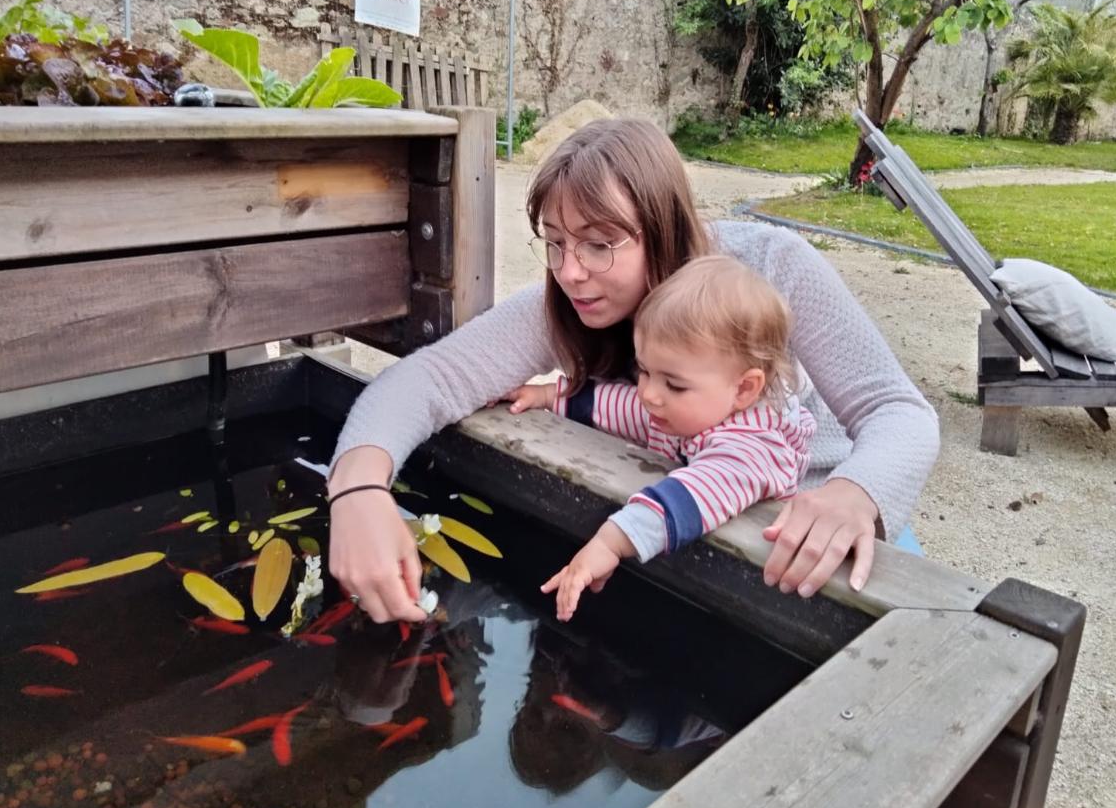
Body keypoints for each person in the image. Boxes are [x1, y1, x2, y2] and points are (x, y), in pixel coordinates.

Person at [328, 118, 939, 623]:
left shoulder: (772, 268)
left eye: (600, 244)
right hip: (683, 533)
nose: (570, 272)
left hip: (826, 538)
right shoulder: (570, 299)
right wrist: (357, 490)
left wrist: (856, 494)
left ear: (664, 228)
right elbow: (431, 378)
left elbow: (899, 411)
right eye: (556, 242)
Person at [500, 255, 815, 622]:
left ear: (744, 389)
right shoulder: (687, 409)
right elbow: (617, 406)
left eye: (673, 383)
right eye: (645, 371)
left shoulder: (753, 448)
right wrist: (548, 396)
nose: (649, 393)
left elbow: (690, 496)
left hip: (757, 602)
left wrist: (609, 543)